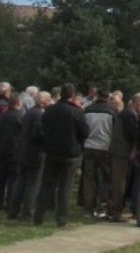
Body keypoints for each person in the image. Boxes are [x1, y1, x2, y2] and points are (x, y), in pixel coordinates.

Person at [34, 83, 89, 228]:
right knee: (65, 186)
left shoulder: (50, 110)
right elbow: (85, 132)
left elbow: (43, 126)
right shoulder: (76, 112)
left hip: (51, 151)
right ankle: (62, 219)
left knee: (46, 184)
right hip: (70, 153)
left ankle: (38, 216)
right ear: (72, 96)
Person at [8, 91, 51, 221]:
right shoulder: (39, 114)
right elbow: (37, 134)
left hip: (23, 150)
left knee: (20, 182)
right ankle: (28, 211)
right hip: (35, 153)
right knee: (33, 184)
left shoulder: (29, 112)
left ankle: (13, 210)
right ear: (44, 101)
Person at [107, 92, 140, 222]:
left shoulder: (127, 113)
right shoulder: (129, 114)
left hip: (119, 152)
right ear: (136, 102)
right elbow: (132, 134)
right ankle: (115, 212)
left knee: (118, 182)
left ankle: (113, 210)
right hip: (120, 153)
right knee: (119, 183)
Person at [82, 87, 115, 218]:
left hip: (89, 146)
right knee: (106, 179)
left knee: (89, 179)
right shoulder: (112, 110)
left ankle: (88, 209)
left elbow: (83, 128)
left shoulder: (88, 109)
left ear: (97, 95)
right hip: (105, 148)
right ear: (108, 97)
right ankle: (102, 207)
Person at [0, 94, 23, 211]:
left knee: (1, 178)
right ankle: (9, 202)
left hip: (2, 149)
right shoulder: (20, 117)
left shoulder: (2, 115)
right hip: (14, 151)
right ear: (18, 103)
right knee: (13, 179)